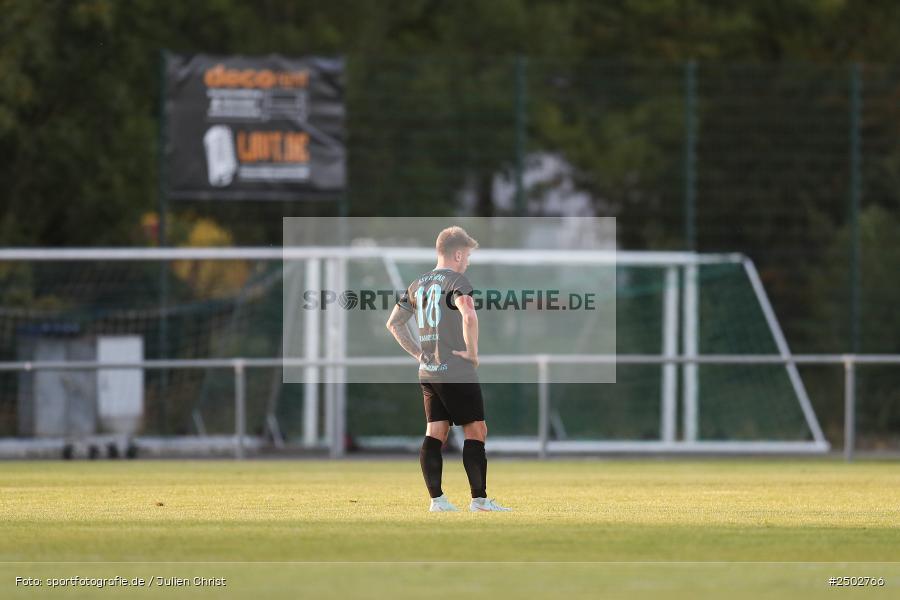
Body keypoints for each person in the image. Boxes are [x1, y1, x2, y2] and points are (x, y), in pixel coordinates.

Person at [386, 226, 512, 512]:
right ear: (457, 253)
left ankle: (437, 501)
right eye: (466, 256)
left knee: (436, 432)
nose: (467, 261)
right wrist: (472, 352)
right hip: (456, 368)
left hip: (429, 371)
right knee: (477, 430)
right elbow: (468, 313)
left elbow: (394, 323)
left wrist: (420, 353)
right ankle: (479, 501)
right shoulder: (456, 280)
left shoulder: (418, 284)